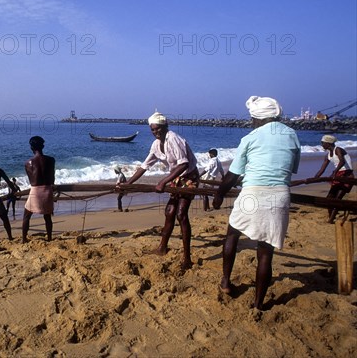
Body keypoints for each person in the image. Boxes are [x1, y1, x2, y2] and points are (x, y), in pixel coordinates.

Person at [213, 96, 301, 311]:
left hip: (252, 194)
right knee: (265, 252)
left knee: (232, 234)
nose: (251, 122)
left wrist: (218, 195)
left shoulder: (251, 137)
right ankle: (258, 305)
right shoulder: (291, 135)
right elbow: (289, 169)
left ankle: (226, 281)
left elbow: (232, 176)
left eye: (252, 118)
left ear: (258, 119)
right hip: (279, 196)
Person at [117, 112, 199, 269]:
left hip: (189, 177)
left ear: (165, 127)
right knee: (169, 212)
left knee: (181, 215)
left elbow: (183, 164)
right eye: (153, 130)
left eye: (159, 129)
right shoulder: (156, 145)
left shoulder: (173, 138)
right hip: (175, 178)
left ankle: (187, 258)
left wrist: (163, 181)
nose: (156, 132)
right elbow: (144, 166)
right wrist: (128, 183)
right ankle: (162, 247)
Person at [311, 135, 354, 224]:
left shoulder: (338, 149)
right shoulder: (328, 155)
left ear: (328, 143)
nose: (321, 145)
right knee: (329, 198)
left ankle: (331, 219)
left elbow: (342, 161)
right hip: (338, 175)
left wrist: (335, 171)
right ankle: (331, 216)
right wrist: (314, 178)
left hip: (347, 175)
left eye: (322, 143)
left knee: (337, 199)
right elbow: (322, 169)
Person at [22, 136, 56, 243]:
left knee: (27, 216)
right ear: (43, 146)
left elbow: (31, 179)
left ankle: (24, 239)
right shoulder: (51, 160)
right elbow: (52, 178)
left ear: (31, 148)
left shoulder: (28, 163)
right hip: (47, 190)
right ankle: (49, 237)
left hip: (35, 191)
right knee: (47, 216)